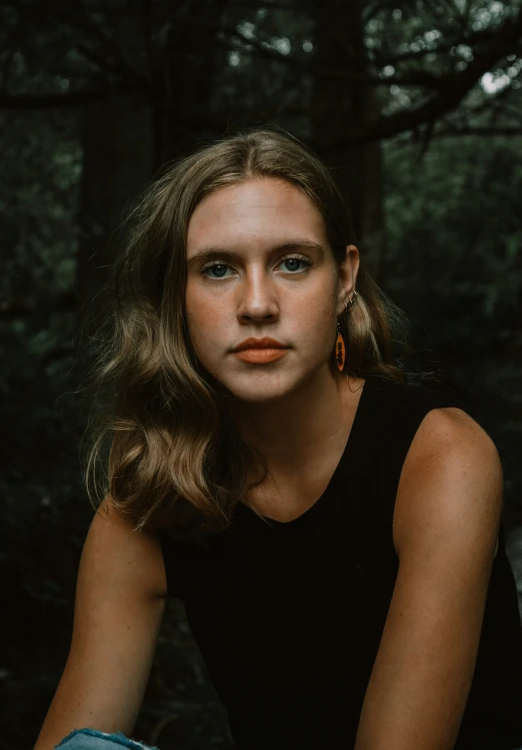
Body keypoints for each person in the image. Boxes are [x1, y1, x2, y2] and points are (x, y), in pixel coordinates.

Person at [34, 128, 522, 750]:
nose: (257, 304)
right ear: (174, 298)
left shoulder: (441, 458)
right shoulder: (146, 504)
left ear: (344, 279)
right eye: (216, 269)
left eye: (293, 263)